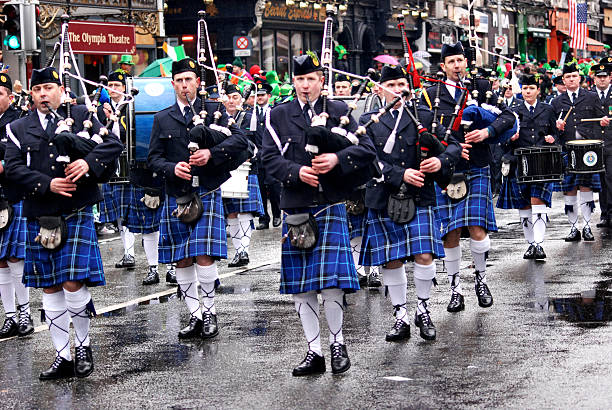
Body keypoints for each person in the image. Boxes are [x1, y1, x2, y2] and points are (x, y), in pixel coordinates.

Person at [5, 67, 123, 379]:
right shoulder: (19, 127)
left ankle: (83, 345)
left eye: (49, 87)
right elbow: (14, 168)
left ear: (60, 90)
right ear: (31, 94)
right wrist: (47, 184)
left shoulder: (82, 114)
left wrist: (88, 161)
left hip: (76, 210)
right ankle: (62, 355)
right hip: (40, 211)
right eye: (38, 89)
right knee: (50, 286)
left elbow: (112, 144)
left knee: (73, 282)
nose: (44, 94)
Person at [262, 53, 376, 376]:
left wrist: (337, 161)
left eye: (311, 78)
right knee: (302, 286)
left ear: (321, 80)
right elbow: (268, 161)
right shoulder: (278, 115)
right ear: (293, 82)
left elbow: (367, 151)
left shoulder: (340, 112)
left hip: (330, 205)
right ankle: (314, 351)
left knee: (330, 284)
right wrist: (297, 172)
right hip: (297, 206)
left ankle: (337, 343)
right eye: (299, 79)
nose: (305, 85)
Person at [147, 58, 249, 341]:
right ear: (173, 85)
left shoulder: (214, 111)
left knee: (203, 255)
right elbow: (153, 158)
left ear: (197, 83)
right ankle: (194, 315)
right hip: (177, 194)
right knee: (182, 257)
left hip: (206, 190)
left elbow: (241, 141)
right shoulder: (162, 118)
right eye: (179, 81)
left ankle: (209, 312)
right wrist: (171, 168)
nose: (184, 86)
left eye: (189, 80)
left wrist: (211, 155)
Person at [360, 65, 460, 341]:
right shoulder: (369, 120)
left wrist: (440, 160)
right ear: (379, 89)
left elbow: (453, 146)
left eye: (402, 84)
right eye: (391, 84)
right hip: (384, 197)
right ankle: (401, 315)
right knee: (391, 260)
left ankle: (424, 309)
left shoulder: (423, 116)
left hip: (420, 197)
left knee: (425, 256)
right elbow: (366, 159)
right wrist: (399, 174)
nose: (398, 89)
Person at [423, 42, 515, 314]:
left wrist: (487, 132)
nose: (456, 65)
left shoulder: (482, 88)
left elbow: (509, 117)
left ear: (466, 61)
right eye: (451, 61)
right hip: (445, 172)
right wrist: (447, 145)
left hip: (477, 165)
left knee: (477, 228)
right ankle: (455, 289)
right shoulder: (430, 94)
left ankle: (481, 279)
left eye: (460, 60)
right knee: (449, 232)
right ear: (443, 66)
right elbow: (424, 127)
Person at [97, 72, 175, 285]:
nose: (113, 88)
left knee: (166, 223)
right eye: (110, 84)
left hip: (167, 170)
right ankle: (152, 268)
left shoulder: (139, 103)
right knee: (148, 226)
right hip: (138, 170)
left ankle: (171, 267)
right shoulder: (101, 109)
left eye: (117, 85)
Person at [497, 74, 558, 259]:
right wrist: (510, 138)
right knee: (524, 206)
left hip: (542, 162)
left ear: (538, 91)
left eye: (531, 88)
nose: (528, 92)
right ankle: (530, 244)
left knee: (537, 201)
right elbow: (501, 141)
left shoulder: (548, 109)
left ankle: (538, 244)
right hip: (519, 162)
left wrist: (552, 138)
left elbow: (556, 135)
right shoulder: (513, 110)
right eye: (524, 88)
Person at [551, 62, 609, 241]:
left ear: (580, 79)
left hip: (587, 151)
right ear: (563, 80)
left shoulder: (591, 97)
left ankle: (586, 226)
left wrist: (603, 122)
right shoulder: (556, 102)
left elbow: (601, 118)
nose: (571, 79)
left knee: (586, 188)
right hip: (567, 150)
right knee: (569, 190)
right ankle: (574, 227)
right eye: (567, 77)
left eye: (574, 76)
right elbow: (550, 131)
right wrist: (556, 127)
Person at [0, 73, 33, 339]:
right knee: (0, 262)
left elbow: (20, 163)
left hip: (14, 197)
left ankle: (25, 312)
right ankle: (9, 316)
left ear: (10, 97)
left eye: (0, 93)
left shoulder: (18, 124)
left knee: (15, 258)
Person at [222, 83, 264, 267]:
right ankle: (238, 251)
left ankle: (244, 250)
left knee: (245, 210)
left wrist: (253, 159)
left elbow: (263, 146)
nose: (231, 101)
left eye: (235, 97)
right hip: (225, 170)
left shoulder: (250, 118)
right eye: (228, 97)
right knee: (231, 212)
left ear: (241, 100)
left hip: (248, 169)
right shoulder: (217, 118)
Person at [253, 79, 281, 230]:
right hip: (258, 156)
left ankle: (277, 214)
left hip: (272, 155)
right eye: (258, 95)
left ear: (269, 96)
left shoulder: (275, 112)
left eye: (262, 95)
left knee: (274, 186)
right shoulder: (251, 113)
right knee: (260, 189)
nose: (260, 98)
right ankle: (264, 218)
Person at [592, 63, 612, 228]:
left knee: (611, 178)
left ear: (610, 77)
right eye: (599, 76)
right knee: (601, 182)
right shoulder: (590, 96)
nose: (602, 79)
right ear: (594, 78)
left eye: (605, 76)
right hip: (597, 145)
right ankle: (604, 213)